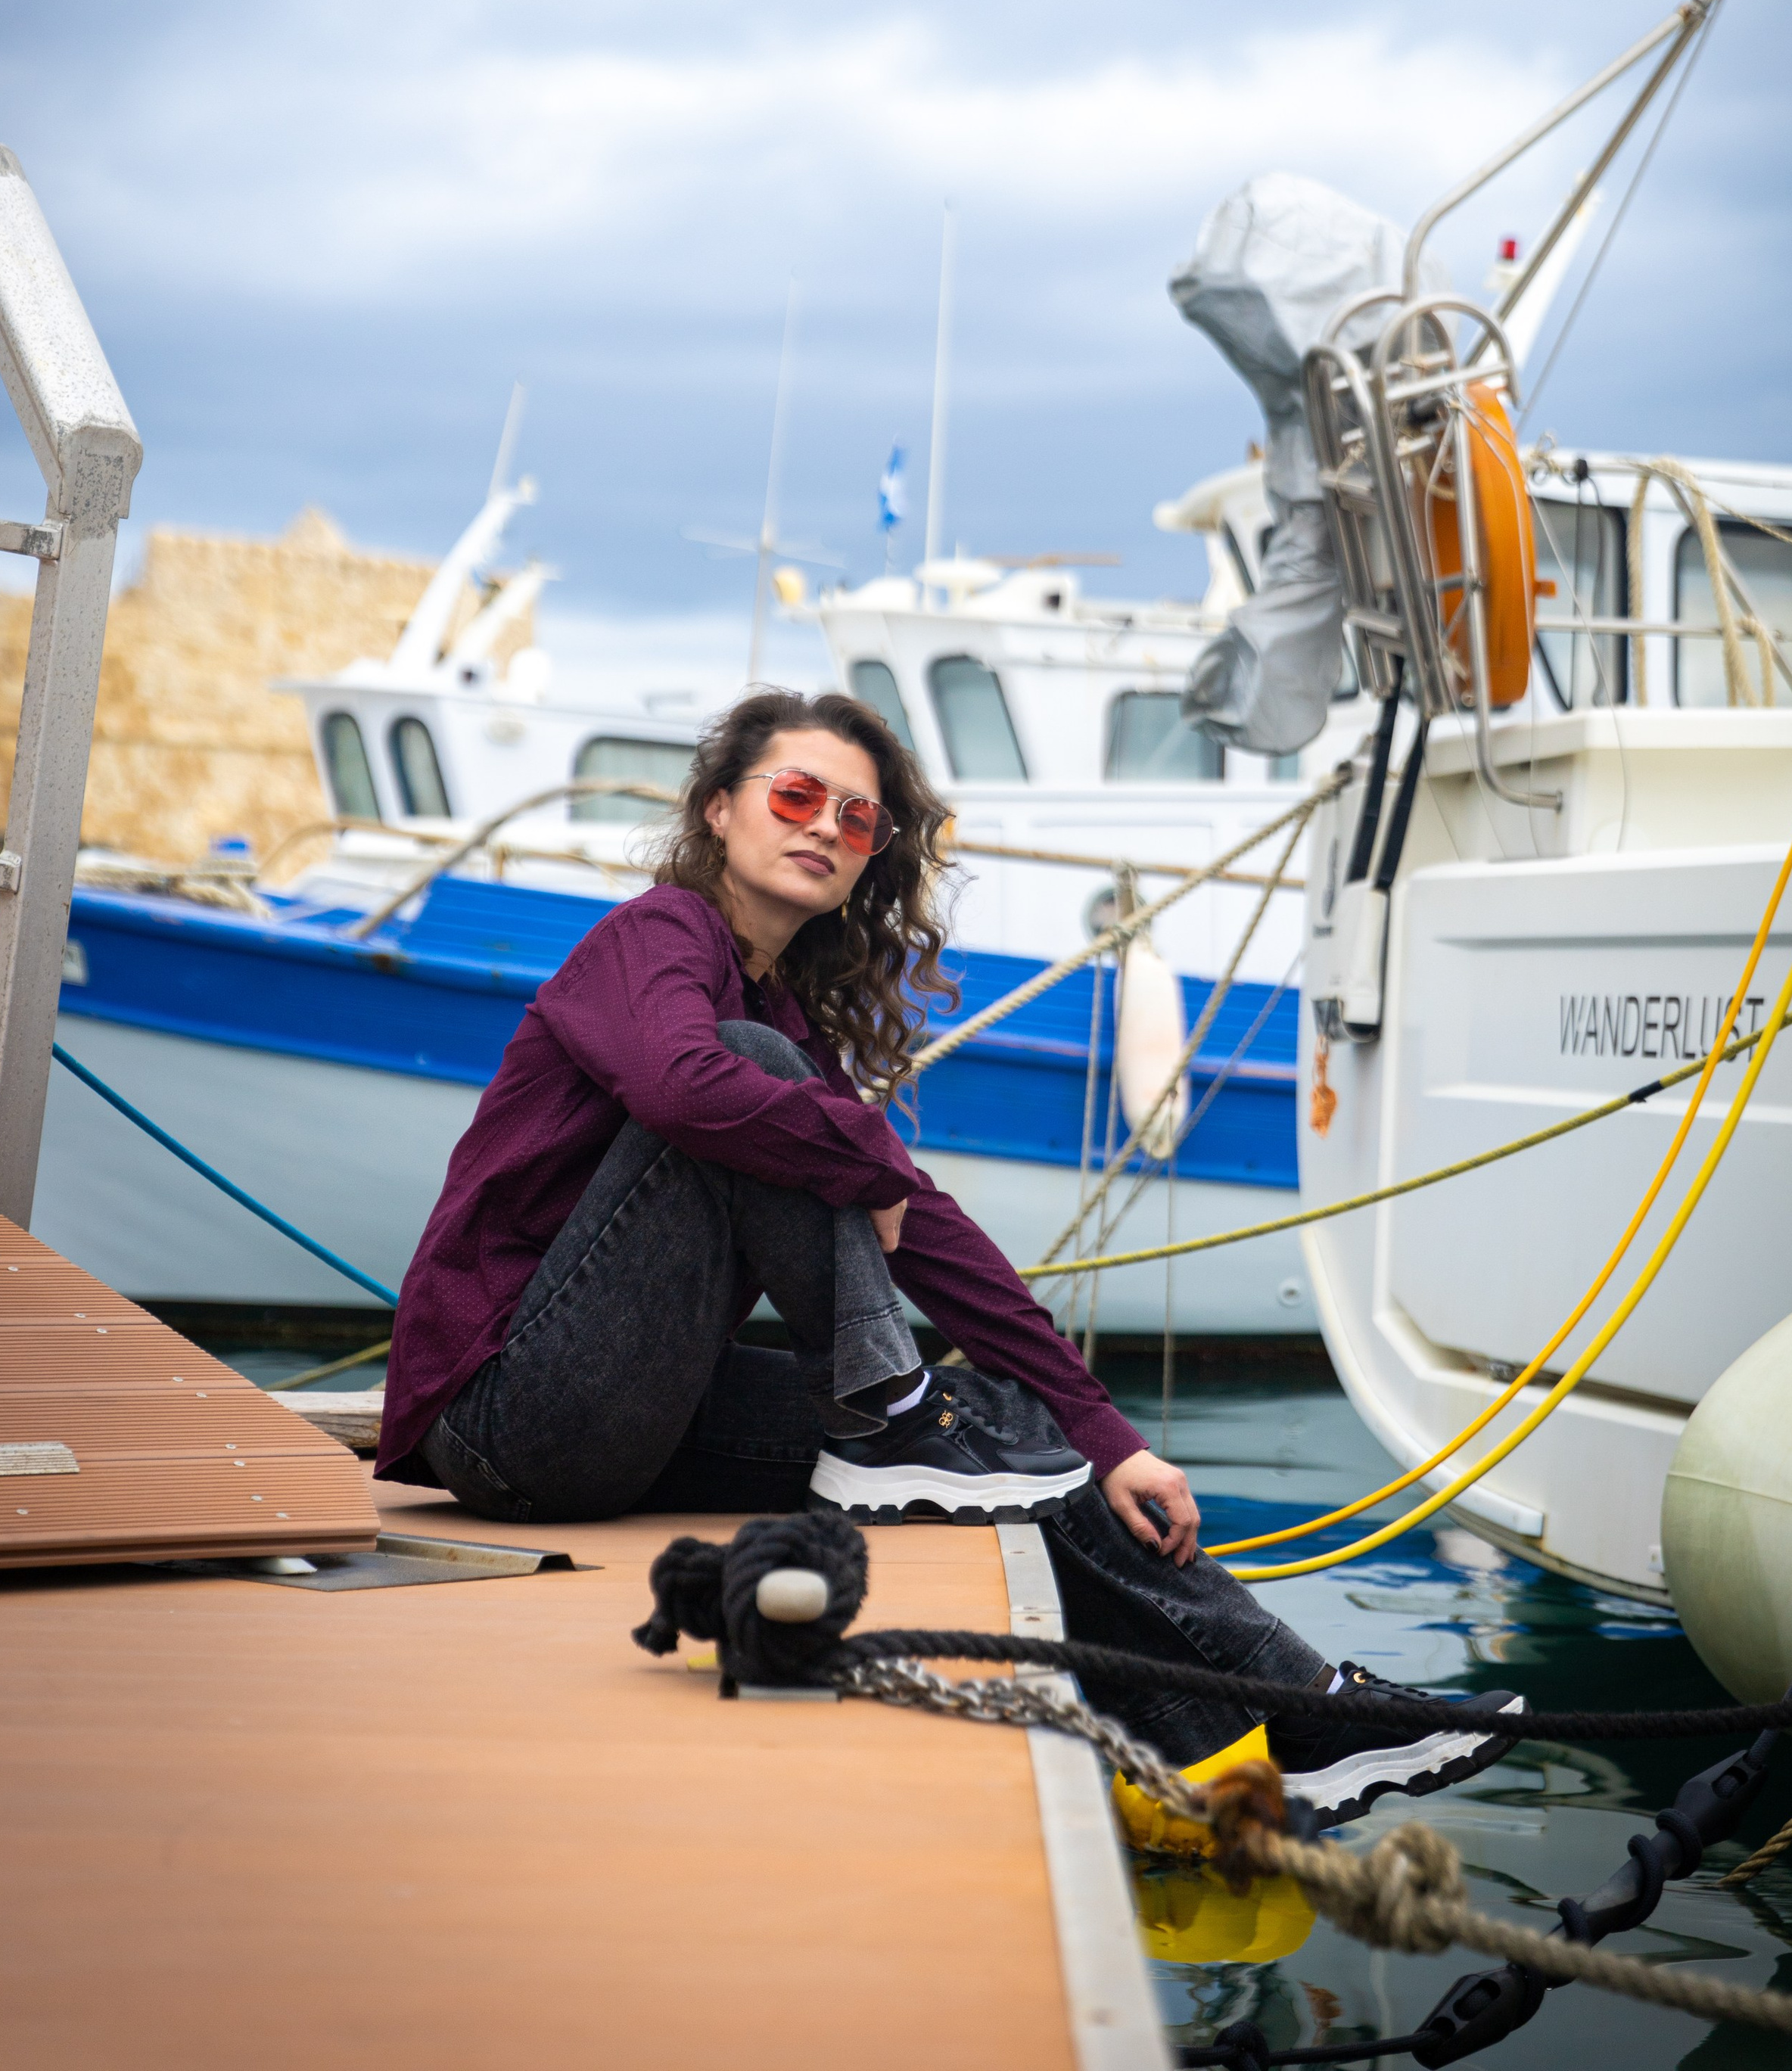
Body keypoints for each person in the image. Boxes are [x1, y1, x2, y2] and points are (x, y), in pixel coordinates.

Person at [378, 687, 1517, 1823]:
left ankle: (1286, 1720)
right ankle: (893, 1414)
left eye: (859, 819)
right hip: (507, 1415)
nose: (826, 826)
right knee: (746, 1070)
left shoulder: (789, 1026)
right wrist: (862, 1148)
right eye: (796, 794)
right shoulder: (655, 940)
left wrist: (1107, 1434)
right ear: (721, 811)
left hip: (628, 1422)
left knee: (1010, 1441)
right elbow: (687, 1086)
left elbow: (929, 1231)